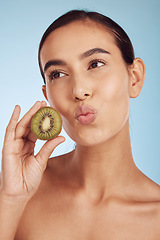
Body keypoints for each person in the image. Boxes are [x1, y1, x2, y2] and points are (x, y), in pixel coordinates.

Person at [0, 9, 160, 240]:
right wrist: (10, 200)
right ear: (47, 95)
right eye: (57, 74)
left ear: (134, 77)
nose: (78, 91)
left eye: (95, 64)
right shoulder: (14, 192)